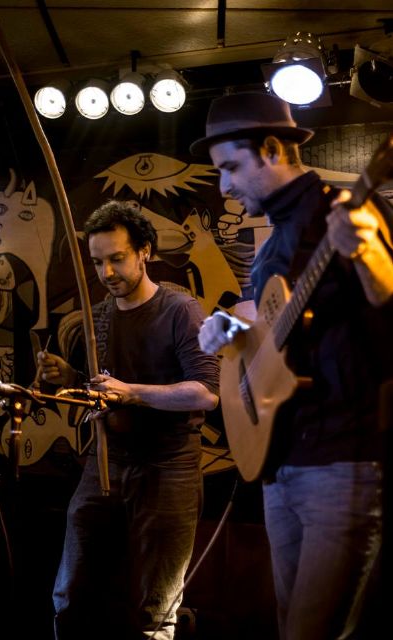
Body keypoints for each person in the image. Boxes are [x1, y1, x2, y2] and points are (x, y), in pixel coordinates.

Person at [190, 91, 393, 639]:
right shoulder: (272, 246)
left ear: (273, 149)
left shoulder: (346, 211)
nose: (224, 187)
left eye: (231, 168)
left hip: (341, 462)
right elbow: (265, 331)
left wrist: (368, 255)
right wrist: (230, 330)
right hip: (280, 467)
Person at [36, 200, 220, 640]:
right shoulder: (101, 314)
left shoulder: (180, 310)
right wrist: (71, 378)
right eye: (98, 262)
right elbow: (105, 388)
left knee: (158, 608)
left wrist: (131, 391)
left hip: (169, 466)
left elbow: (206, 393)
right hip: (107, 461)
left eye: (117, 259)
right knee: (70, 593)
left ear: (145, 252)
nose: (107, 272)